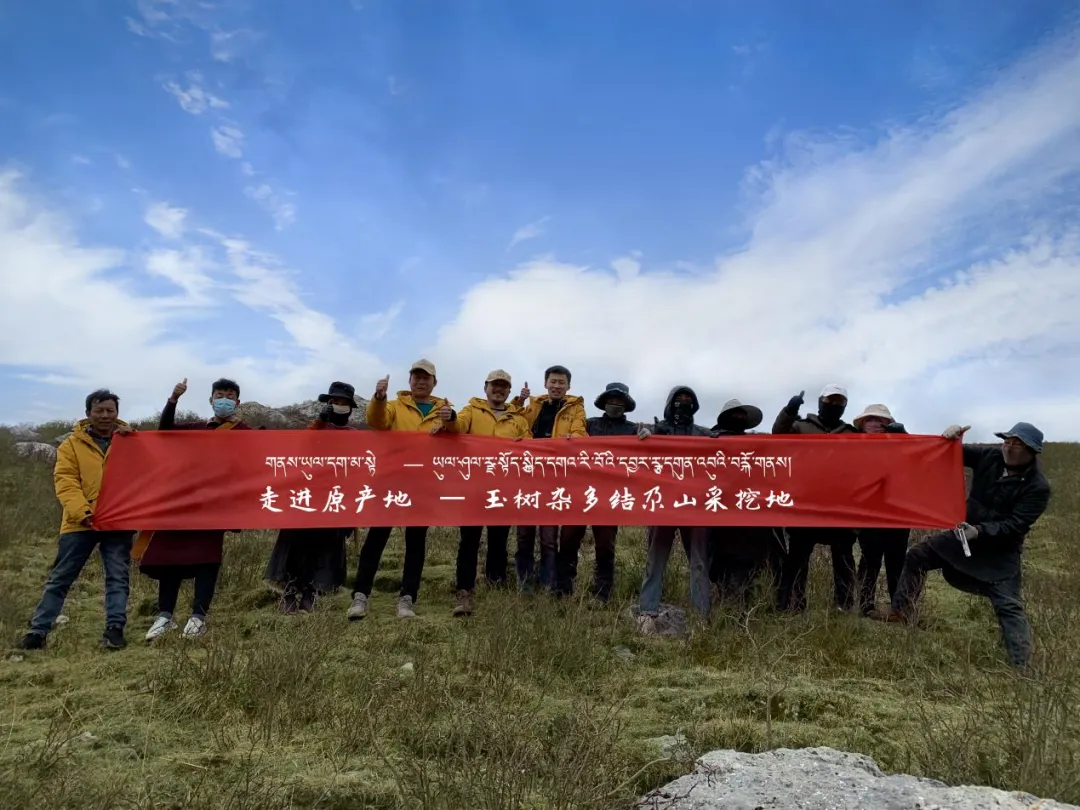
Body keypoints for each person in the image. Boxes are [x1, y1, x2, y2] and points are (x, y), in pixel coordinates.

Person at [873, 422, 1051, 669]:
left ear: (1032, 451)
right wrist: (943, 437)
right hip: (963, 536)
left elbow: (1016, 525)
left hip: (999, 551)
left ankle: (1022, 667)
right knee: (917, 556)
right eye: (1007, 441)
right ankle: (901, 612)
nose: (1009, 447)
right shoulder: (989, 456)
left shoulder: (1038, 487)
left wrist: (979, 531)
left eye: (1017, 444)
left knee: (1009, 606)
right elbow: (945, 451)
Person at [19, 390, 136, 651]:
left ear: (117, 413)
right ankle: (38, 631)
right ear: (88, 414)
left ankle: (115, 629)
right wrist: (83, 513)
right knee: (60, 578)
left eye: (110, 411)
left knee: (117, 577)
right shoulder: (70, 445)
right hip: (79, 523)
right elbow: (66, 482)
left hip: (118, 522)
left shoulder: (131, 443)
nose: (105, 415)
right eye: (99, 410)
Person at [141, 378, 256, 641]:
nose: (224, 399)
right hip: (180, 503)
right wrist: (173, 399)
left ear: (237, 402)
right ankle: (164, 616)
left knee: (207, 559)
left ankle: (198, 617)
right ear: (211, 400)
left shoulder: (245, 432)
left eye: (229, 395)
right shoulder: (195, 428)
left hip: (215, 505)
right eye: (219, 394)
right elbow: (165, 429)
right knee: (169, 560)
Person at [347, 360, 456, 620]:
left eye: (426, 377)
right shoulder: (394, 406)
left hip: (423, 484)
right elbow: (377, 421)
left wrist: (450, 420)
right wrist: (378, 397)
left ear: (434, 382)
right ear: (409, 381)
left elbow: (457, 433)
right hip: (391, 481)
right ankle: (360, 596)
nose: (421, 381)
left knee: (416, 543)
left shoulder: (445, 409)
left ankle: (407, 599)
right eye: (416, 377)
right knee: (376, 538)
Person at [438, 369, 531, 616]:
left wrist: (525, 447)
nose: (499, 390)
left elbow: (530, 446)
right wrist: (448, 418)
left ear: (509, 391)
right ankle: (465, 591)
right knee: (469, 540)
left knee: (499, 541)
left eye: (504, 386)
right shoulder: (471, 410)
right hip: (473, 488)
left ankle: (495, 586)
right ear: (486, 387)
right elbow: (457, 427)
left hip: (504, 488)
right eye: (494, 385)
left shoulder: (518, 419)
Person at [263, 382, 358, 614]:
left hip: (335, 499)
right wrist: (319, 423)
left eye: (343, 402)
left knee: (323, 548)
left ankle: (310, 593)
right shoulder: (315, 428)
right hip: (305, 497)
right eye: (334, 401)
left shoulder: (355, 436)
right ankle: (289, 592)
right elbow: (299, 448)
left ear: (350, 407)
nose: (338, 406)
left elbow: (359, 468)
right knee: (296, 546)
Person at [556, 383, 648, 603]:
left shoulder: (633, 430)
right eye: (612, 399)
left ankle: (602, 593)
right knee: (568, 540)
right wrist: (569, 439)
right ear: (604, 402)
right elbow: (571, 444)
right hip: (581, 492)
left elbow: (646, 455)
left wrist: (648, 438)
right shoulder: (589, 425)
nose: (615, 403)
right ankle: (563, 589)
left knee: (605, 545)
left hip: (610, 496)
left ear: (626, 404)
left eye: (620, 401)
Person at [772, 384, 860, 613]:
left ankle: (844, 606)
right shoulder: (800, 426)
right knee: (798, 558)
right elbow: (777, 434)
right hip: (805, 504)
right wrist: (789, 411)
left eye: (840, 402)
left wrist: (897, 433)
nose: (834, 405)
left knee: (843, 559)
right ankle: (792, 605)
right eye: (830, 401)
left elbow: (882, 452)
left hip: (841, 507)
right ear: (820, 401)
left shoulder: (852, 434)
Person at [636, 386, 713, 634]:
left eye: (688, 400)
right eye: (679, 400)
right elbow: (637, 457)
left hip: (695, 507)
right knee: (655, 560)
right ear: (670, 404)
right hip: (663, 506)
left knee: (699, 563)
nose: (684, 403)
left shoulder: (704, 435)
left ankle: (701, 616)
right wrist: (643, 439)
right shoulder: (656, 432)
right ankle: (647, 612)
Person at [508, 365, 587, 593]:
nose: (557, 386)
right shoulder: (534, 405)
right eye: (553, 381)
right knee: (524, 534)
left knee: (549, 537)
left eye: (561, 382)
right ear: (545, 383)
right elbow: (512, 422)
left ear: (568, 386)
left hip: (554, 479)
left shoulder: (576, 409)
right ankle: (525, 584)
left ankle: (548, 584)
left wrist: (576, 438)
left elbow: (581, 431)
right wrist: (518, 402)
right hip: (528, 477)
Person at [709, 398, 785, 608]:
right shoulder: (710, 441)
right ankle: (727, 606)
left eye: (742, 416)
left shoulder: (756, 444)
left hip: (751, 519)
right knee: (724, 563)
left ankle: (742, 608)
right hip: (722, 517)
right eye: (735, 415)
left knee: (749, 564)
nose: (739, 419)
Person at [851, 404, 911, 617]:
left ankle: (899, 607)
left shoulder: (901, 444)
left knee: (897, 560)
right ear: (863, 424)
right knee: (870, 558)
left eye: (881, 420)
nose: (876, 423)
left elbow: (918, 456)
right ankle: (865, 605)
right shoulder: (851, 447)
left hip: (898, 513)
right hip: (868, 513)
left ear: (889, 424)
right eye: (870, 419)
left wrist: (902, 434)